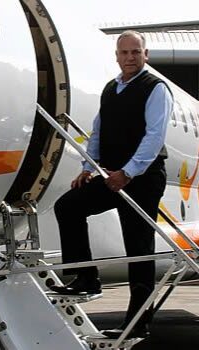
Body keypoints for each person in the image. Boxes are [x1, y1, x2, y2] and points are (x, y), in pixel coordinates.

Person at [49, 30, 173, 338]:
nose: (130, 57)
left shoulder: (156, 88)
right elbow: (98, 130)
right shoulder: (111, 88)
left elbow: (154, 138)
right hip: (111, 175)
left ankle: (138, 323)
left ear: (146, 55)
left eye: (136, 52)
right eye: (124, 53)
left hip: (142, 178)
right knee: (68, 206)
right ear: (116, 56)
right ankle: (85, 277)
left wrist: (128, 173)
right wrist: (87, 168)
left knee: (138, 248)